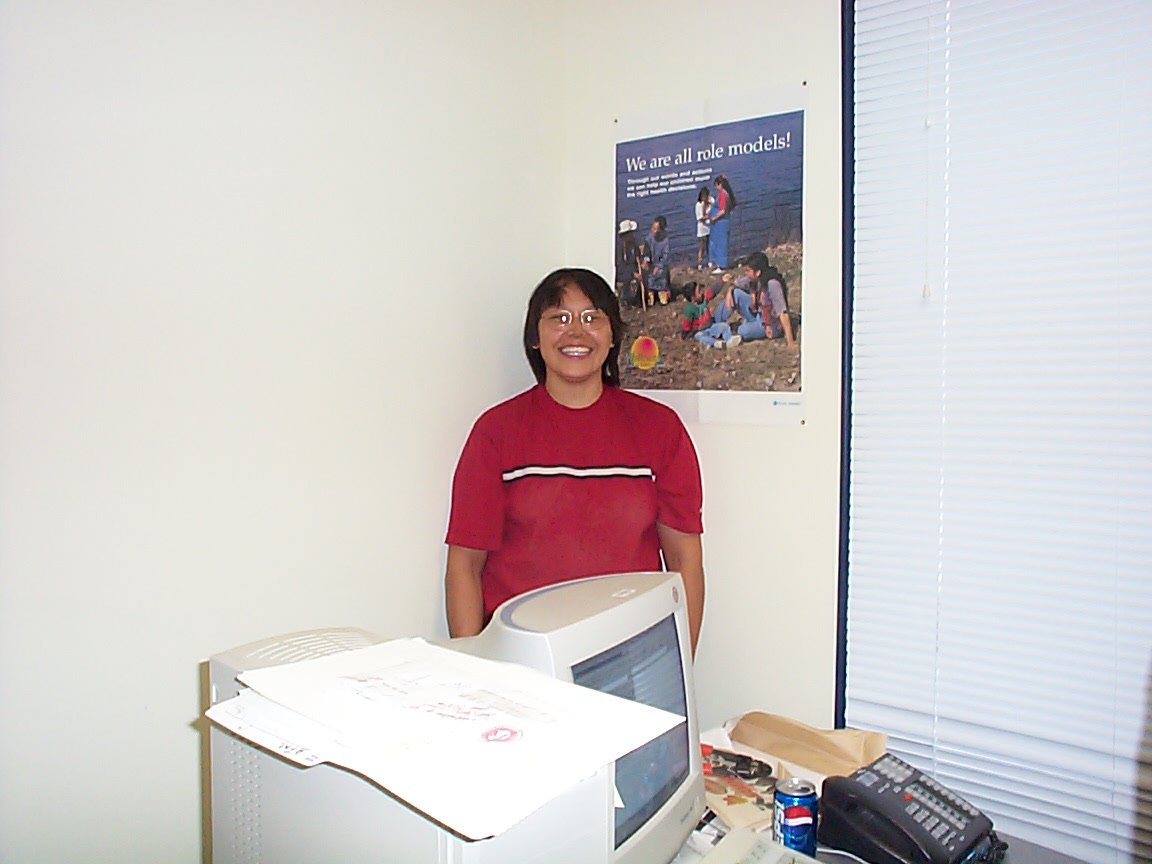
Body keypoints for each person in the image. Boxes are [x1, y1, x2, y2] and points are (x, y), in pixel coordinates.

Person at [444, 268, 706, 654]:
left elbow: (684, 561)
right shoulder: (496, 432)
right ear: (535, 338)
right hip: (520, 658)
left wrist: (679, 662)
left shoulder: (659, 428)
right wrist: (473, 668)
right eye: (559, 318)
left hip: (629, 655)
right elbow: (464, 567)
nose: (576, 333)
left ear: (612, 336)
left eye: (592, 318)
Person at [693, 252, 797, 350]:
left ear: (758, 272)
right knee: (736, 294)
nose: (746, 273)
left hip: (771, 323)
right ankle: (713, 325)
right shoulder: (753, 279)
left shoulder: (773, 284)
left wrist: (790, 342)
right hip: (757, 313)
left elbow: (783, 313)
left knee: (743, 330)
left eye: (748, 270)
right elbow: (736, 284)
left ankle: (724, 333)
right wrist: (730, 291)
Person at [709, 175, 737, 272]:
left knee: (721, 244)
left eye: (717, 185)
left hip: (721, 223)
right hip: (719, 223)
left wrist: (714, 218)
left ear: (720, 184)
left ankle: (721, 266)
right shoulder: (724, 193)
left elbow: (723, 210)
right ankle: (718, 263)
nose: (716, 188)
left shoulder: (723, 194)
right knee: (717, 242)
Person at [643, 215, 672, 305]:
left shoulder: (665, 240)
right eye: (653, 228)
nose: (653, 230)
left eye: (655, 229)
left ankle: (662, 292)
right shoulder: (649, 238)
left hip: (661, 264)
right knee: (647, 274)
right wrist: (646, 260)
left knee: (660, 273)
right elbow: (647, 251)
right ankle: (650, 293)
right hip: (651, 264)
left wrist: (659, 266)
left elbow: (666, 256)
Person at [614, 219, 643, 307]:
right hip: (620, 272)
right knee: (627, 278)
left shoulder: (632, 243)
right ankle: (625, 299)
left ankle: (639, 297)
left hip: (631, 268)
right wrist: (633, 273)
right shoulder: (618, 247)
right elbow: (621, 265)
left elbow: (636, 255)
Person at [695, 187, 712, 270]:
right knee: (702, 247)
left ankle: (710, 261)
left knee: (709, 245)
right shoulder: (698, 205)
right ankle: (700, 263)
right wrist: (708, 216)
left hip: (709, 227)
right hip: (702, 228)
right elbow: (699, 218)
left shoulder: (709, 203)